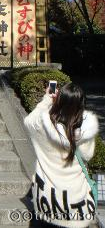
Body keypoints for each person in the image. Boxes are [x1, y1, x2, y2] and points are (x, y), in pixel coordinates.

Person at [24, 83, 99, 228]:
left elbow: (29, 121)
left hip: (48, 200)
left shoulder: (43, 127)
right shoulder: (85, 132)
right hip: (76, 201)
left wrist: (47, 99)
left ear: (59, 101)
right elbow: (88, 156)